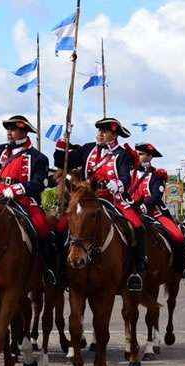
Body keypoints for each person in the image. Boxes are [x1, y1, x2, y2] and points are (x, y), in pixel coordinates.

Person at [54, 117, 145, 291]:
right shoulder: (88, 149)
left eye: (104, 131)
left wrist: (117, 184)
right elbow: (60, 161)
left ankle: (136, 271)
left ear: (114, 134)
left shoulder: (122, 154)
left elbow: (125, 178)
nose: (100, 134)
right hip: (88, 198)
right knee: (61, 227)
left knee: (136, 225)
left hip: (113, 198)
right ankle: (62, 271)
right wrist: (64, 138)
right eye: (99, 131)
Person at [0, 115, 56, 287]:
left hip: (24, 201)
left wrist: (16, 189)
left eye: (13, 129)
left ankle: (49, 270)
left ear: (23, 132)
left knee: (42, 227)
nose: (9, 133)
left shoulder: (38, 157)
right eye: (8, 129)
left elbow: (39, 183)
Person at [129, 142, 185, 276]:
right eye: (137, 154)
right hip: (131, 212)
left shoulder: (157, 175)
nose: (137, 156)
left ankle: (181, 268)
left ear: (150, 157)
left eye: (141, 154)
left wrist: (144, 207)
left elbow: (156, 196)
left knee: (179, 236)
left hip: (155, 213)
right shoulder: (128, 172)